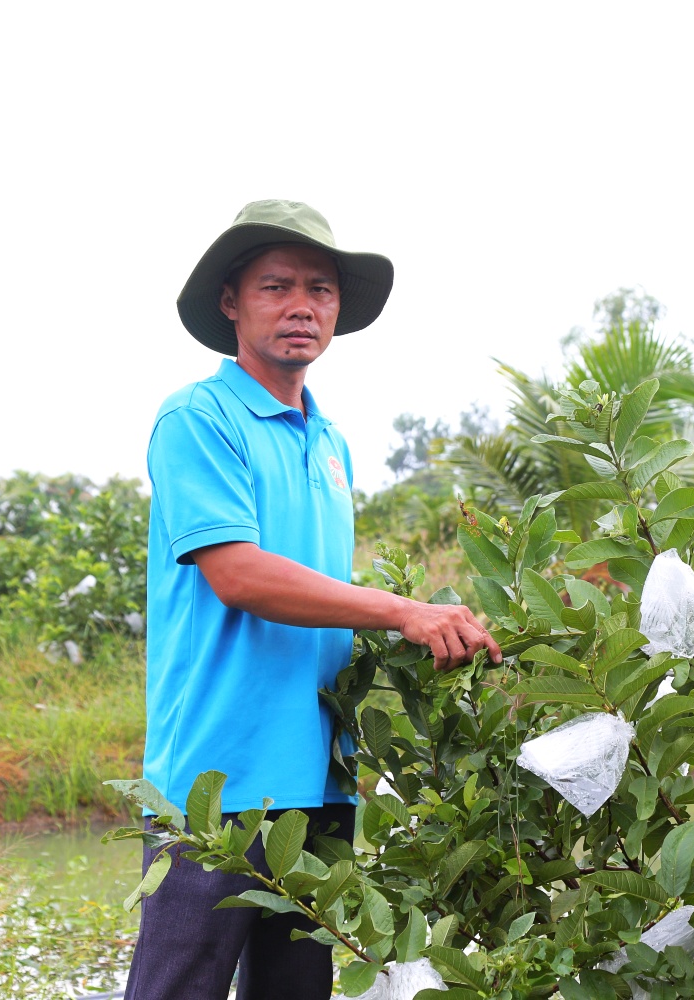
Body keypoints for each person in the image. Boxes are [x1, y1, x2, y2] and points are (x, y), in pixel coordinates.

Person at [124, 199, 501, 1000]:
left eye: (321, 290)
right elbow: (241, 574)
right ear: (232, 301)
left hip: (320, 775)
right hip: (215, 780)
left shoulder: (329, 444)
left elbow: (320, 593)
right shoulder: (200, 416)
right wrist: (402, 608)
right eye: (277, 286)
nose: (303, 307)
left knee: (296, 992)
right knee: (176, 989)